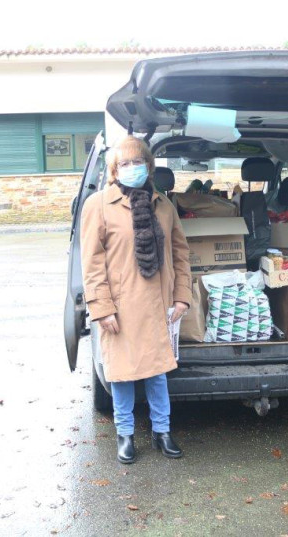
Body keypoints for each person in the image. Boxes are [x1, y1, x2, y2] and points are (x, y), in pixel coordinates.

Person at [80, 136, 192, 464]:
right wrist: (100, 308)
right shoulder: (98, 205)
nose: (131, 168)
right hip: (119, 306)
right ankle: (125, 434)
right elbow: (92, 262)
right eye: (124, 163)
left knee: (157, 373)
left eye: (137, 162)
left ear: (148, 166)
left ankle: (162, 431)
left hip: (158, 306)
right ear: (115, 169)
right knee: (122, 374)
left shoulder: (164, 206)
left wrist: (182, 296)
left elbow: (180, 253)